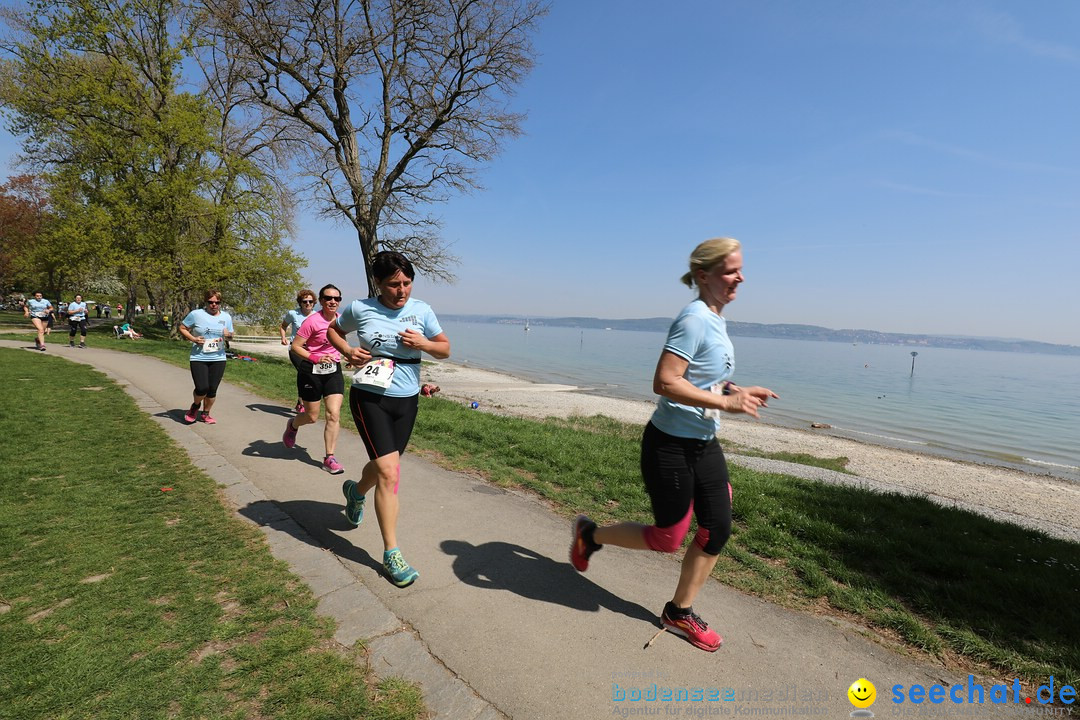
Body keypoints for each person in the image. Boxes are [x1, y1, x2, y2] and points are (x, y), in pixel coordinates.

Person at [569, 238, 779, 653]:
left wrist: (734, 389)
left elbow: (698, 377)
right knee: (668, 537)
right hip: (669, 445)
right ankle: (590, 535)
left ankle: (679, 612)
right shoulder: (695, 318)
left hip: (703, 442)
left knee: (716, 528)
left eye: (740, 269)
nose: (741, 277)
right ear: (704, 275)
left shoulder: (715, 319)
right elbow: (665, 381)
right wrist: (725, 401)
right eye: (731, 270)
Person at [327, 251, 451, 588]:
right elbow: (333, 332)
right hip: (370, 397)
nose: (401, 291)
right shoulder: (360, 309)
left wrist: (423, 343)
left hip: (406, 401)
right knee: (390, 472)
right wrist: (348, 351)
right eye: (394, 284)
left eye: (407, 283)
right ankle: (391, 553)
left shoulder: (422, 311)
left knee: (386, 467)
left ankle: (355, 492)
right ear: (378, 284)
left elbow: (445, 348)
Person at [282, 284, 347, 474]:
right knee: (311, 417)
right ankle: (293, 425)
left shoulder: (342, 321)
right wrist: (315, 357)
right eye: (328, 298)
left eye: (337, 298)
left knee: (333, 414)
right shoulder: (312, 321)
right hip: (311, 369)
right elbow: (296, 346)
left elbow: (342, 343)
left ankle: (329, 458)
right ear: (321, 301)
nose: (333, 301)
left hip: (333, 370)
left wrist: (350, 356)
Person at [178, 289, 234, 425]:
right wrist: (194, 339)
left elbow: (231, 334)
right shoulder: (196, 314)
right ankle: (195, 407)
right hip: (199, 357)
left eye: (217, 302)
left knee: (212, 390)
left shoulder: (226, 317)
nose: (214, 305)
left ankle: (206, 414)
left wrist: (229, 335)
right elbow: (182, 328)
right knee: (202, 388)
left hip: (219, 358)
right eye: (211, 302)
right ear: (206, 302)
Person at [280, 289, 318, 414]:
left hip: (310, 350)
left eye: (310, 301)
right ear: (300, 303)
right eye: (305, 301)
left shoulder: (317, 315)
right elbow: (283, 326)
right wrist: (283, 337)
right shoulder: (293, 314)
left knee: (307, 375)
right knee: (304, 372)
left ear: (314, 303)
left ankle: (301, 401)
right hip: (296, 349)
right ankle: (302, 403)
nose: (308, 304)